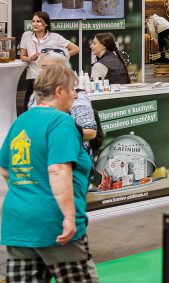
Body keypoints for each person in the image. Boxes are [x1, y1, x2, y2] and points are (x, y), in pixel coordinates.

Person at [1, 63, 98, 283]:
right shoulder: (61, 122)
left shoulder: (21, 121)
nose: (75, 95)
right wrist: (69, 218)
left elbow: (5, 169)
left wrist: (28, 189)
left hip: (19, 224)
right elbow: (58, 170)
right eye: (72, 89)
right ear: (59, 91)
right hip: (54, 223)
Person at [18, 12, 80, 115]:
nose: (35, 24)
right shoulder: (26, 36)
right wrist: (30, 58)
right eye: (33, 21)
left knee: (50, 110)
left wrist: (57, 58)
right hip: (34, 78)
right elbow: (22, 56)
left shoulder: (55, 37)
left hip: (51, 79)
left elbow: (76, 49)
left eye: (38, 21)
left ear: (46, 24)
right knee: (29, 110)